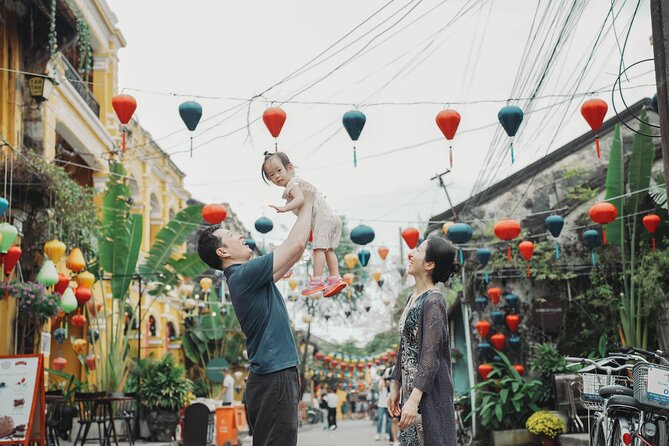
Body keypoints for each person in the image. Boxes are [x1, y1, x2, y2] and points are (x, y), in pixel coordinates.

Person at [197, 183, 316, 446]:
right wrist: (307, 201)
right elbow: (295, 246)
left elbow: (292, 257)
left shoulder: (249, 278)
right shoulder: (242, 275)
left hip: (274, 375)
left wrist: (300, 209)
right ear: (223, 252)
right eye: (233, 235)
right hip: (274, 376)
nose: (242, 237)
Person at [388, 236, 458, 446]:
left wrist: (414, 399)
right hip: (411, 394)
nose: (411, 255)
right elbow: (405, 347)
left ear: (429, 264)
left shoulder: (434, 301)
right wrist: (395, 385)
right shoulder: (414, 297)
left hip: (428, 395)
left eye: (418, 251)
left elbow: (431, 355)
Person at [261, 151, 346, 297]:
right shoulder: (299, 182)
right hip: (332, 218)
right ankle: (335, 278)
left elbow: (300, 199)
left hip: (323, 219)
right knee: (328, 250)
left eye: (279, 170)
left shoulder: (292, 185)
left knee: (319, 249)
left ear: (290, 168)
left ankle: (317, 280)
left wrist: (285, 208)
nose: (276, 176)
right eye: (271, 175)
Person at [375, 369, 392, 441]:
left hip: (388, 404)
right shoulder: (381, 381)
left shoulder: (391, 381)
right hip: (381, 404)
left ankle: (387, 433)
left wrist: (388, 381)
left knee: (389, 420)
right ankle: (378, 434)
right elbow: (379, 388)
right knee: (380, 419)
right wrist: (383, 380)